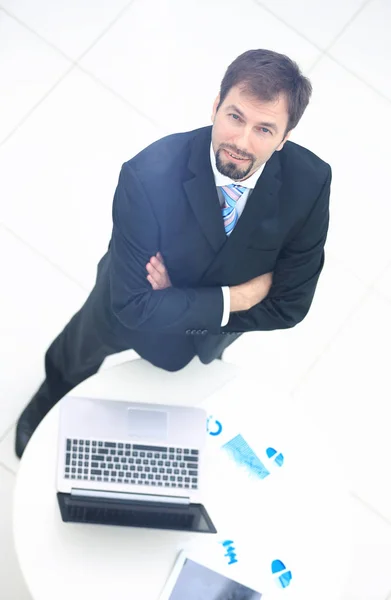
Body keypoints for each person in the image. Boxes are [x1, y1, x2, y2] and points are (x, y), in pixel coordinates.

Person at [15, 49, 331, 458]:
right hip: (120, 311)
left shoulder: (310, 183)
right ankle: (48, 400)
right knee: (76, 353)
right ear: (216, 106)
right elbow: (132, 304)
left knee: (166, 392)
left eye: (265, 129)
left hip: (208, 336)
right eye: (235, 117)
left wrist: (176, 298)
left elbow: (290, 307)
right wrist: (237, 297)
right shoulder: (147, 174)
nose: (241, 141)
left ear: (285, 137)